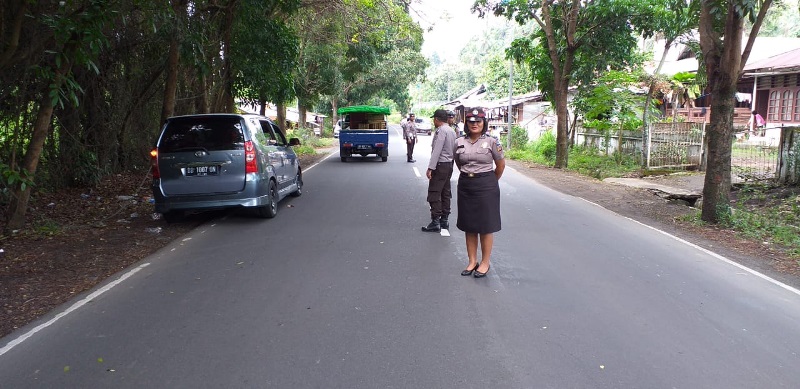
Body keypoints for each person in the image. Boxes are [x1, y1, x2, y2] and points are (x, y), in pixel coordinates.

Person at [455, 108, 505, 278]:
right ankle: (471, 261)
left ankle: (485, 263)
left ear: (484, 123)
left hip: (486, 185)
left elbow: (500, 166)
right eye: (471, 121)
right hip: (465, 185)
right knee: (468, 225)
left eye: (478, 121)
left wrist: (488, 181)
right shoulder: (459, 141)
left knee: (485, 226)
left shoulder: (492, 142)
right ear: (466, 124)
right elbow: (458, 163)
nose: (474, 124)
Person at [421, 109, 458, 232]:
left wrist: (431, 168)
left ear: (436, 119)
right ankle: (444, 220)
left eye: (434, 119)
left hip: (440, 165)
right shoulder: (452, 131)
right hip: (449, 164)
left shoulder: (441, 131)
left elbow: (437, 150)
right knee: (446, 192)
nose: (433, 121)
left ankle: (435, 221)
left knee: (435, 192)